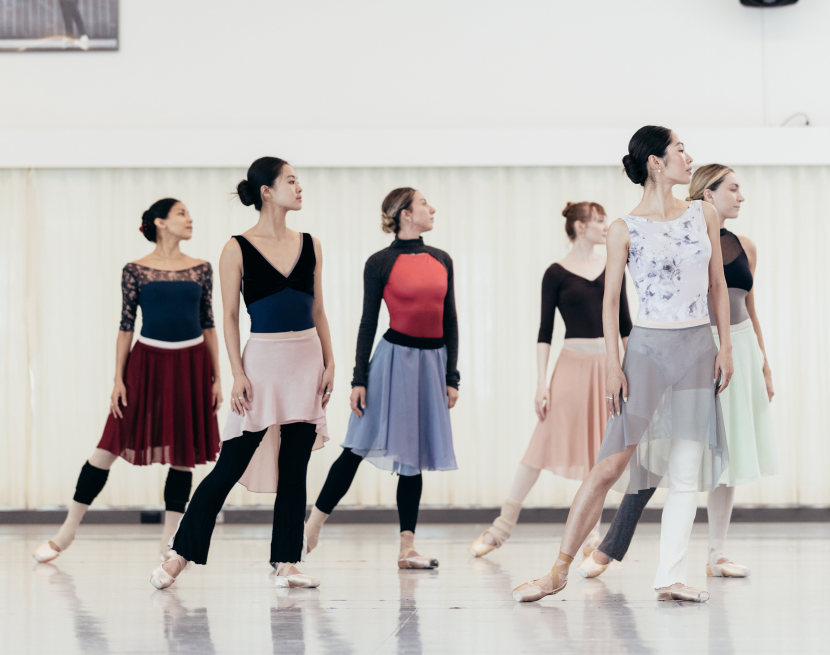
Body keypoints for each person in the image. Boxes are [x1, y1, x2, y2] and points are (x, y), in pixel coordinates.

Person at [513, 125, 733, 603]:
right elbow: (610, 304)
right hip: (647, 354)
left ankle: (670, 576)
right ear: (656, 162)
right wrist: (615, 365)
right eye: (680, 149)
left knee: (685, 471)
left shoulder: (704, 215)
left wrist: (725, 347)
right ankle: (558, 570)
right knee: (609, 466)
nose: (688, 156)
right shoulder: (623, 229)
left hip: (698, 349)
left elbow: (717, 284)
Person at [578, 164, 776, 581]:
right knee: (655, 453)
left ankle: (716, 553)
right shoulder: (677, 235)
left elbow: (747, 305)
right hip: (687, 346)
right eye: (734, 189)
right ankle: (613, 544)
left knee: (728, 451)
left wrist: (761, 357)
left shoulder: (746, 246)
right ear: (708, 194)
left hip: (733, 346)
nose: (741, 197)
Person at [150, 157, 334, 590]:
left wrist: (331, 363)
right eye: (291, 180)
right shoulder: (236, 247)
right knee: (229, 464)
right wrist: (237, 372)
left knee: (295, 468)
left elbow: (319, 309)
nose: (299, 187)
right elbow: (228, 316)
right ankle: (180, 554)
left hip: (306, 360)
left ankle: (286, 563)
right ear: (267, 191)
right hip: (262, 362)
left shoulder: (311, 242)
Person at [33, 198, 222, 563]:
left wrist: (217, 377)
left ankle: (170, 543)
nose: (190, 219)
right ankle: (66, 531)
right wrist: (118, 379)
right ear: (160, 222)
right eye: (182, 213)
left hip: (191, 364)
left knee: (182, 456)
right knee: (106, 448)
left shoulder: (201, 269)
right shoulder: (135, 270)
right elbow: (125, 327)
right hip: (146, 363)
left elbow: (209, 324)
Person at [303, 187, 459, 569]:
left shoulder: (442, 259)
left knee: (414, 457)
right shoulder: (379, 262)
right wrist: (359, 378)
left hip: (431, 364)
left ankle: (407, 547)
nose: (432, 208)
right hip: (391, 361)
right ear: (405, 213)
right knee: (357, 445)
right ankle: (311, 527)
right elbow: (368, 320)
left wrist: (452, 374)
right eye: (425, 203)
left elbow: (450, 318)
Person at [469, 201, 632, 558]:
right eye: (598, 220)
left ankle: (592, 537)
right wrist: (541, 382)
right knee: (540, 446)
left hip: (607, 367)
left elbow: (625, 327)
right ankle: (502, 527)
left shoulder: (612, 266)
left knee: (600, 455)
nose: (605, 226)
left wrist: (626, 370)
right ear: (578, 226)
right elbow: (545, 331)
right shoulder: (556, 273)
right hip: (570, 367)